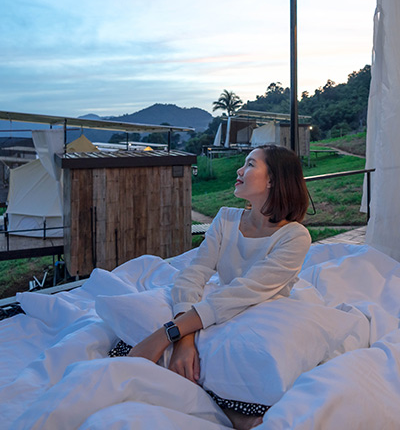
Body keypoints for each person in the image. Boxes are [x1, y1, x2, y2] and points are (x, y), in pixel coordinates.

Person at [128, 144, 311, 429]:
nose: (239, 169)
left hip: (262, 313)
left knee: (233, 353)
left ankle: (227, 409)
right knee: (142, 327)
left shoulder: (295, 237)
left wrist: (166, 333)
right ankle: (223, 409)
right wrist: (183, 339)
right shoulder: (226, 218)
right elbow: (194, 272)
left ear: (273, 180)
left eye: (250, 164)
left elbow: (243, 292)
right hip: (215, 310)